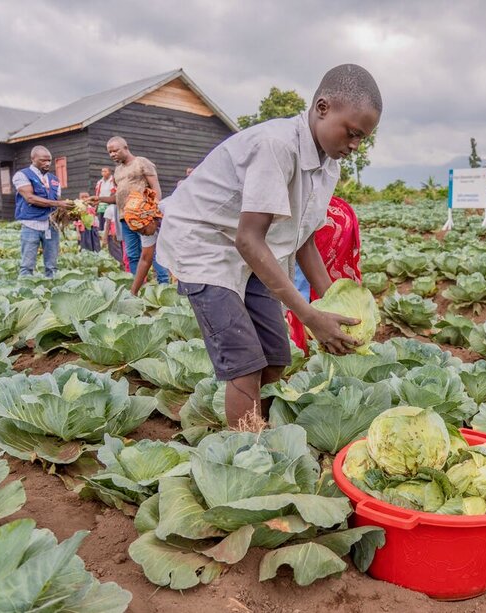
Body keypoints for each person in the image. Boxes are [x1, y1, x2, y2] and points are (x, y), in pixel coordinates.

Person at [156, 64, 381, 428]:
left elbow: (304, 237)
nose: (355, 145)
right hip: (206, 246)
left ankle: (267, 433)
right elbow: (247, 238)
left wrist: (335, 306)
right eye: (352, 133)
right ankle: (247, 451)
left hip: (253, 251)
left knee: (276, 355)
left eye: (362, 139)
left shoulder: (328, 165)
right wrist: (309, 317)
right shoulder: (276, 146)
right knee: (244, 362)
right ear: (322, 108)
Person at [287, 195, 362, 353]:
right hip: (316, 222)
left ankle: (307, 343)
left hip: (317, 222)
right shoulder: (335, 209)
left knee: (300, 285)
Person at [96, 136, 169, 283]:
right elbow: (119, 197)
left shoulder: (142, 163)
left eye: (115, 150)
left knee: (152, 253)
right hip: (125, 218)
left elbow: (156, 189)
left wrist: (153, 214)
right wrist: (99, 199)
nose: (112, 154)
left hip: (143, 217)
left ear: (125, 148)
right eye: (110, 152)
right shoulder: (117, 171)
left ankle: (164, 284)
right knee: (132, 255)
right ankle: (139, 287)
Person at [12, 145, 71, 278]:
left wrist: (71, 211)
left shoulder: (54, 179)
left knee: (52, 266)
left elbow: (58, 203)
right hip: (31, 225)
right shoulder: (22, 175)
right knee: (27, 265)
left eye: (49, 160)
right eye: (43, 160)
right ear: (33, 159)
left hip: (51, 226)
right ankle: (26, 295)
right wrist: (58, 203)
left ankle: (51, 293)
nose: (47, 163)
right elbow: (30, 198)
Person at [122, 193, 163, 295]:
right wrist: (133, 292)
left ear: (151, 221)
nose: (143, 234)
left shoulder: (171, 217)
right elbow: (145, 260)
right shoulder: (146, 225)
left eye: (143, 231)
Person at [94, 166, 115, 231]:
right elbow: (98, 192)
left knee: (110, 219)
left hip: (111, 202)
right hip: (102, 203)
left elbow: (114, 191)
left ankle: (111, 234)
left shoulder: (113, 180)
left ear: (110, 172)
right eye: (102, 171)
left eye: (105, 171)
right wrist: (96, 205)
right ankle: (103, 233)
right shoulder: (100, 182)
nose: (103, 173)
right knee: (102, 219)